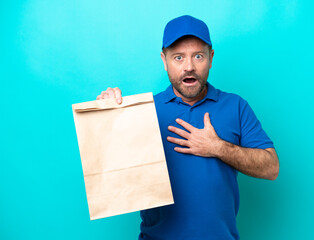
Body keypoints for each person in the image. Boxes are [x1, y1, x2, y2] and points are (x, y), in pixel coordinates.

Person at [96, 15, 279, 240]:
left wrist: (218, 147)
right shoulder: (144, 111)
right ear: (164, 60)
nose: (189, 67)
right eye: (179, 57)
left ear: (211, 58)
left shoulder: (236, 106)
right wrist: (108, 116)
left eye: (198, 56)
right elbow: (111, 175)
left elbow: (271, 168)